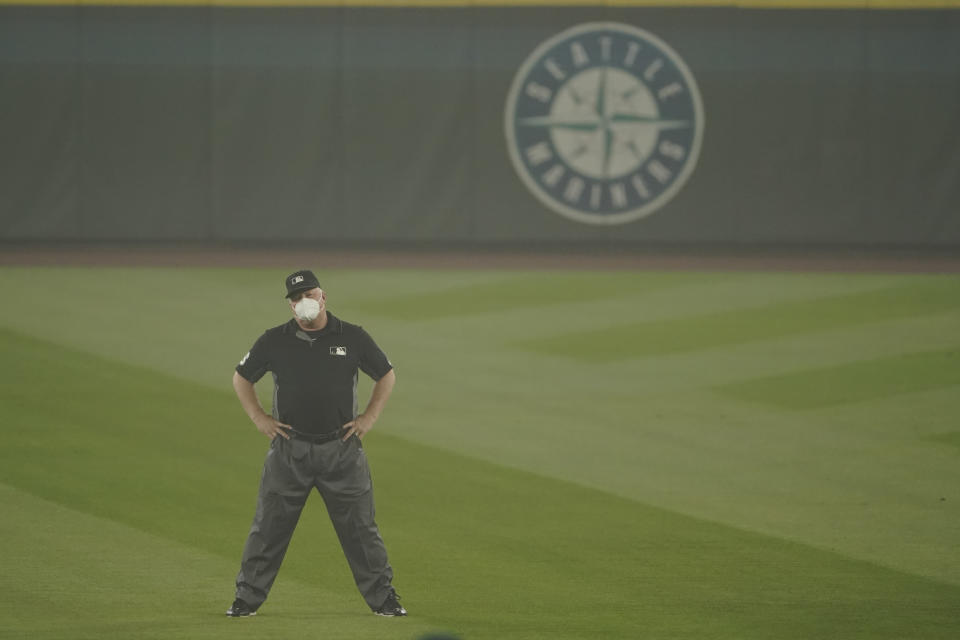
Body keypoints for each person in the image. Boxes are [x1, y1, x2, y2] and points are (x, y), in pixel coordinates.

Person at [226, 269, 406, 618]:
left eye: (309, 295)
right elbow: (241, 378)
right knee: (268, 528)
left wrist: (368, 418)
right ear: (291, 305)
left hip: (341, 449)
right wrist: (259, 418)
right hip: (288, 450)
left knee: (361, 530)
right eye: (296, 298)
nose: (303, 303)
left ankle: (384, 599)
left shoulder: (352, 337)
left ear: (323, 297)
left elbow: (386, 374)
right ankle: (246, 600)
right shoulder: (273, 340)